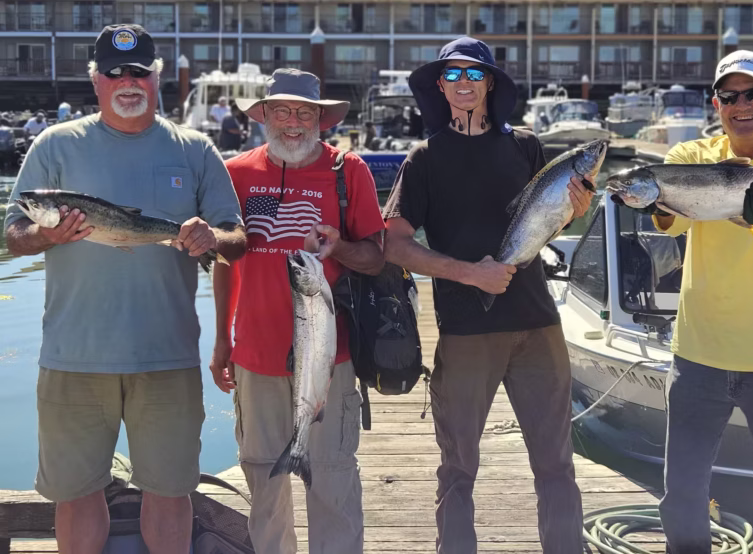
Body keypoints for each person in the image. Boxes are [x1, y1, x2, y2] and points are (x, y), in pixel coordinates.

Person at [3, 23, 247, 554]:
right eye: (115, 73)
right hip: (72, 356)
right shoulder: (54, 144)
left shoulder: (195, 148)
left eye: (139, 71)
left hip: (168, 356)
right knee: (75, 495)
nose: (128, 81)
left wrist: (212, 236)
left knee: (171, 492)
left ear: (157, 77)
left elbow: (237, 239)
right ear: (96, 80)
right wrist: (46, 235)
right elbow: (15, 234)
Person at [614, 50, 753, 553]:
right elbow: (676, 222)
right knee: (682, 496)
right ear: (716, 104)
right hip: (699, 357)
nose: (742, 105)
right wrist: (655, 204)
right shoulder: (689, 156)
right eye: (729, 96)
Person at [382, 37, 594, 554]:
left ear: (491, 83)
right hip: (466, 331)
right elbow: (393, 243)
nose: (464, 83)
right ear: (440, 86)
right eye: (453, 74)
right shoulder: (425, 158)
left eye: (474, 73)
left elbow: (548, 222)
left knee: (556, 463)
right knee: (458, 467)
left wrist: (575, 210)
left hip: (538, 324)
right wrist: (469, 274)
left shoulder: (526, 146)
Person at [209, 68, 385, 554]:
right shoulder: (236, 173)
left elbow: (375, 258)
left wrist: (339, 248)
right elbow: (225, 262)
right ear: (264, 115)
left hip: (331, 360)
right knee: (263, 483)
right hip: (255, 356)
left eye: (304, 112)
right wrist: (222, 339)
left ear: (320, 119)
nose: (293, 122)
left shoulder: (348, 170)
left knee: (332, 481)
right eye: (282, 111)